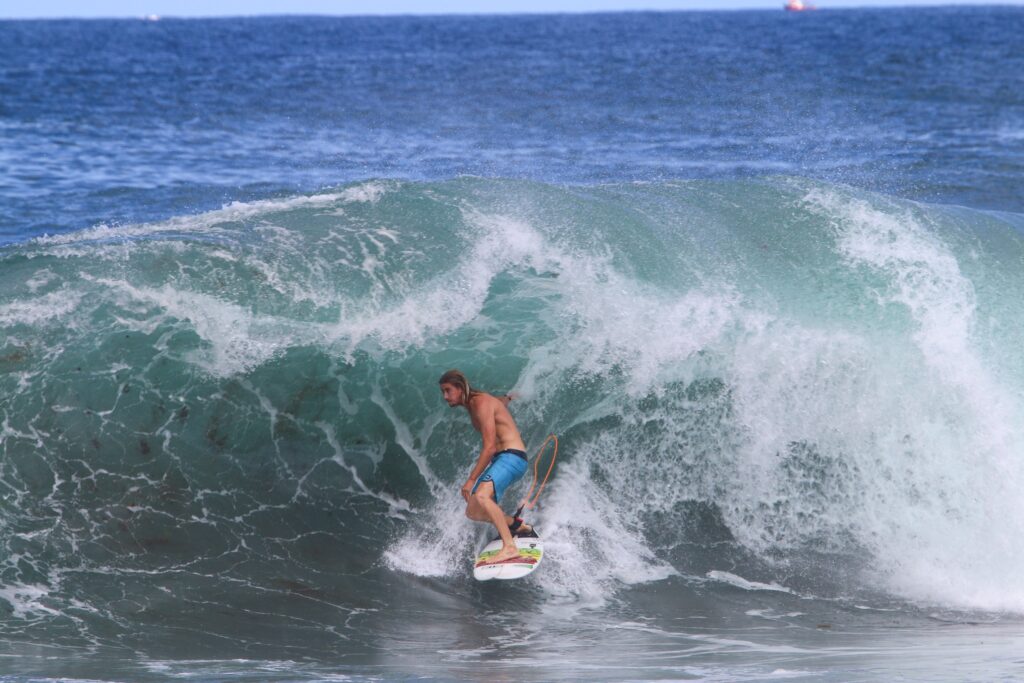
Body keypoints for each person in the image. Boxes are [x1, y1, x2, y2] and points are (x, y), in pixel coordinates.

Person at [439, 369, 533, 564]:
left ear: (460, 387)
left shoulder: (480, 402)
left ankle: (509, 548)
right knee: (473, 510)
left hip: (511, 457)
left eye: (448, 390)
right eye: (443, 392)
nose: (445, 396)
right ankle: (517, 525)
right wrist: (509, 397)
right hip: (503, 459)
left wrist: (471, 479)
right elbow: (498, 403)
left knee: (481, 495)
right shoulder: (477, 403)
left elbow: (489, 447)